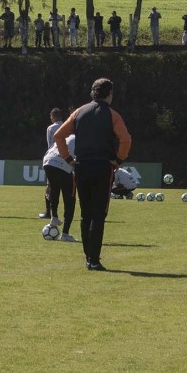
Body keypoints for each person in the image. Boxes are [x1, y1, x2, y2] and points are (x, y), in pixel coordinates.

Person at [54, 78, 132, 271]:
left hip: (80, 166)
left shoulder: (78, 112)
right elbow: (126, 139)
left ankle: (88, 256)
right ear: (109, 94)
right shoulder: (112, 115)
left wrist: (68, 159)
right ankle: (94, 259)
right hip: (102, 167)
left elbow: (59, 136)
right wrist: (118, 160)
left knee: (85, 214)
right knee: (99, 214)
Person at [43, 133, 77, 242]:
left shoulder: (65, 136)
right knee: (70, 200)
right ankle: (65, 234)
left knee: (55, 189)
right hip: (63, 163)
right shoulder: (81, 138)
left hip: (47, 161)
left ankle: (54, 217)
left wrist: (48, 184)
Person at [39, 108, 64, 219]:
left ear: (53, 116)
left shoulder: (51, 128)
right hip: (66, 158)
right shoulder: (67, 126)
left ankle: (49, 212)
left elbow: (50, 145)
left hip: (53, 159)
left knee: (50, 187)